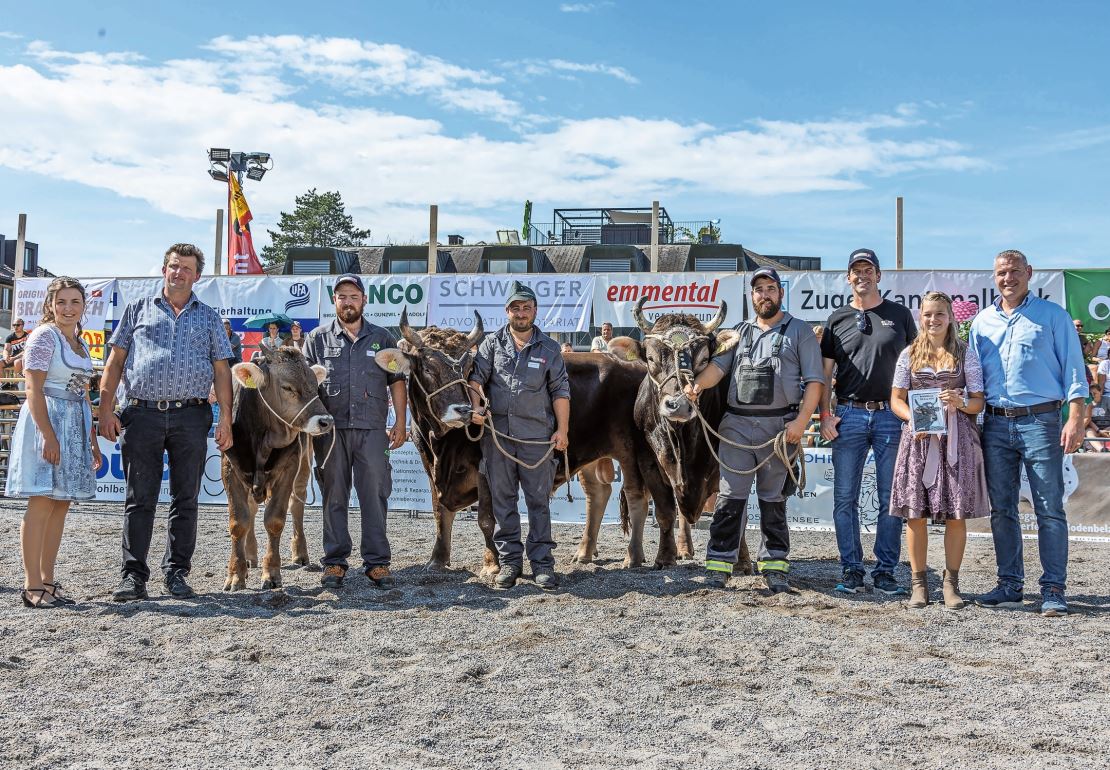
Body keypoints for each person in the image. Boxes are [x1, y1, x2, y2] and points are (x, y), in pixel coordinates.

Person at [99, 244, 234, 602]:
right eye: (174, 266)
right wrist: (105, 409)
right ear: (164, 269)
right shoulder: (137, 310)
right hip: (141, 413)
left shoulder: (208, 317)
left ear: (197, 276)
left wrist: (227, 421)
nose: (179, 273)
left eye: (186, 268)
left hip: (191, 416)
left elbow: (223, 371)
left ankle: (176, 573)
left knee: (185, 499)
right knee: (138, 498)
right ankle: (132, 576)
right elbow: (114, 363)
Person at [683, 267, 823, 593]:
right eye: (758, 289)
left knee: (773, 500)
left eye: (770, 288)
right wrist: (695, 387)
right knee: (730, 499)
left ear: (780, 293)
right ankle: (719, 565)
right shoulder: (736, 334)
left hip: (779, 430)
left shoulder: (799, 331)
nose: (764, 294)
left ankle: (774, 567)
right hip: (737, 427)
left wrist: (802, 422)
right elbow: (717, 370)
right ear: (752, 296)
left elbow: (816, 381)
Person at [970, 249, 1087, 617]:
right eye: (1002, 272)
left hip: (1042, 421)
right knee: (1001, 508)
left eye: (1015, 271)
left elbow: (1074, 369)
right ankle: (1009, 585)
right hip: (994, 423)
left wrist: (1077, 417)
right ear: (994, 277)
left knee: (1049, 508)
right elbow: (974, 380)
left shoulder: (1053, 316)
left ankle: (1053, 588)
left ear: (1029, 273)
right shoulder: (980, 323)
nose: (1008, 278)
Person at [820, 248, 917, 596]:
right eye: (856, 270)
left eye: (868, 269)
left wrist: (915, 413)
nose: (863, 275)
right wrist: (825, 416)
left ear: (879, 275)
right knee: (845, 498)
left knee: (891, 497)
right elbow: (824, 374)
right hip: (848, 415)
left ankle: (886, 571)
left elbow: (916, 366)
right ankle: (851, 568)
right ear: (848, 277)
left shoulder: (900, 315)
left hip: (892, 418)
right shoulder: (837, 319)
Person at [303, 274, 407, 589]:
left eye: (353, 296)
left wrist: (401, 422)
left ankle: (377, 563)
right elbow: (305, 389)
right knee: (333, 495)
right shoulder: (317, 339)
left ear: (363, 300)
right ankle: (334, 563)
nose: (347, 302)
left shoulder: (383, 338)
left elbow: (398, 382)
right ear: (334, 301)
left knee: (375, 496)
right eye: (341, 296)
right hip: (330, 434)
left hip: (373, 431)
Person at [889, 292, 988, 610]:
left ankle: (950, 584)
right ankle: (919, 585)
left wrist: (961, 403)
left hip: (956, 441)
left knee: (956, 515)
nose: (934, 320)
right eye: (928, 314)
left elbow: (978, 401)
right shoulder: (909, 354)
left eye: (940, 314)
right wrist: (912, 418)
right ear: (921, 318)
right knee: (915, 515)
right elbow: (896, 399)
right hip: (918, 442)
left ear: (950, 317)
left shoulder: (965, 354)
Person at [469, 280, 570, 591]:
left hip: (537, 438)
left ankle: (542, 564)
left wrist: (562, 429)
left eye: (526, 307)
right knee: (503, 501)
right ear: (507, 311)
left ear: (535, 311)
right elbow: (476, 379)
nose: (521, 313)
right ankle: (510, 561)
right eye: (516, 307)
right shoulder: (490, 344)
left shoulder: (550, 349)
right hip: (497, 437)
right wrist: (476, 408)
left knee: (538, 501)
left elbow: (560, 390)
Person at [6, 279, 101, 608]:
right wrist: (47, 434)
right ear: (50, 304)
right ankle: (32, 586)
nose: (68, 308)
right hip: (47, 419)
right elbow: (33, 388)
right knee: (42, 500)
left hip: (75, 422)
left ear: (83, 306)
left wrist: (92, 440)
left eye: (75, 301)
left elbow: (84, 393)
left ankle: (47, 579)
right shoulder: (44, 336)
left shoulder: (79, 342)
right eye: (61, 302)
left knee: (61, 503)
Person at [1083, 382, 1110, 451]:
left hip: (1108, 427)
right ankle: (1101, 449)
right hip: (1095, 428)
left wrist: (1107, 429)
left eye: (1094, 393)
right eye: (1090, 394)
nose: (1093, 396)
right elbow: (1088, 420)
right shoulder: (1087, 402)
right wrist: (1099, 430)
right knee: (1088, 432)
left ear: (1100, 392)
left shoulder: (1107, 400)